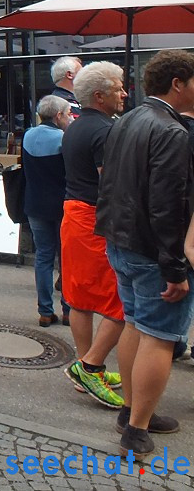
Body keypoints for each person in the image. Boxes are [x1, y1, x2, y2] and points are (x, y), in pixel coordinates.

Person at [97, 50, 194, 457]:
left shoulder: (129, 119)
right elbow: (168, 204)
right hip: (150, 250)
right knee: (160, 336)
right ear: (178, 83)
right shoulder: (171, 131)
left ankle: (133, 413)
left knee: (136, 325)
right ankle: (136, 428)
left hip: (122, 241)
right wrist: (174, 267)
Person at [60, 61, 127, 409]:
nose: (125, 93)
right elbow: (111, 185)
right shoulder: (106, 130)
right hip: (95, 221)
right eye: (119, 88)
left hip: (74, 216)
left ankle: (87, 367)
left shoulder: (74, 126)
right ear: (99, 96)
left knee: (80, 298)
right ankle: (91, 365)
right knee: (122, 302)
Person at [21, 94, 73, 327]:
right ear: (59, 115)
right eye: (69, 114)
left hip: (35, 204)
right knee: (67, 259)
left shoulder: (28, 135)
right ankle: (68, 311)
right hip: (62, 205)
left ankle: (44, 310)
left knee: (43, 256)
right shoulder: (64, 138)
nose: (71, 118)